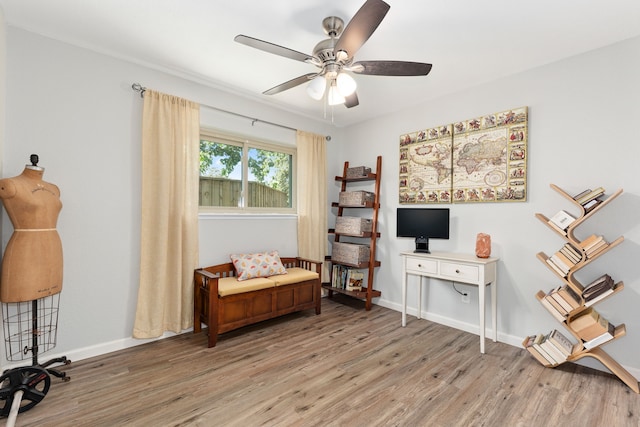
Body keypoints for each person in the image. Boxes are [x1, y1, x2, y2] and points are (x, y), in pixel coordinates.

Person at [0, 158, 63, 302]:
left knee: (50, 319)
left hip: (53, 253)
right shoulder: (10, 185)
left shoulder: (54, 189)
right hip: (25, 253)